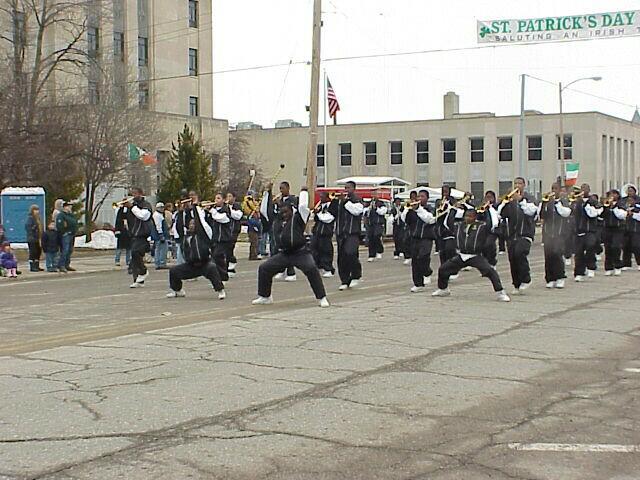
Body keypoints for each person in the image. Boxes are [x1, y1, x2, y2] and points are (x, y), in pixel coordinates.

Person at [252, 187, 329, 307]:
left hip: (300, 253)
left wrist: (303, 192)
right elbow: (264, 211)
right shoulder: (277, 220)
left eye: (286, 211)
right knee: (264, 268)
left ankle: (321, 297)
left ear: (292, 210)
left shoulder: (298, 218)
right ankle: (265, 296)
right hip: (284, 254)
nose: (284, 214)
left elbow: (303, 206)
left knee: (311, 269)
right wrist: (267, 193)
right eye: (282, 212)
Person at [432, 207, 511, 302]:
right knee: (443, 269)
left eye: (470, 216)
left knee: (490, 271)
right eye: (466, 216)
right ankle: (443, 289)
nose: (467, 218)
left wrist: (488, 210)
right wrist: (452, 210)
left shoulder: (481, 226)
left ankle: (500, 292)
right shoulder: (459, 225)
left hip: (475, 256)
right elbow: (448, 223)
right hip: (462, 255)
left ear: (475, 217)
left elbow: (491, 225)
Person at [166, 211, 226, 300]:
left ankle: (220, 290)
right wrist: (181, 211)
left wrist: (195, 207)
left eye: (194, 224)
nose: (192, 225)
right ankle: (178, 290)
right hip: (191, 265)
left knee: (212, 268)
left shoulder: (203, 236)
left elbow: (201, 223)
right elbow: (179, 226)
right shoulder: (185, 237)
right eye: (190, 224)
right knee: (174, 271)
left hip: (204, 263)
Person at [497, 177, 537, 294]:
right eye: (515, 183)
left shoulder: (529, 198)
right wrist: (504, 202)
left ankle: (526, 278)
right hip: (511, 235)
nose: (517, 185)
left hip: (525, 233)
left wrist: (520, 200)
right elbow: (499, 214)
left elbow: (531, 211)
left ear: (524, 185)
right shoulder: (510, 200)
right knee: (512, 259)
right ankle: (517, 284)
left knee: (520, 253)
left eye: (520, 183)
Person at [330, 180, 364, 290]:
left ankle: (356, 276)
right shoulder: (340, 201)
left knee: (351, 253)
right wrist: (334, 202)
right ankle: (344, 280)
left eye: (348, 188)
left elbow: (356, 211)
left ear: (354, 189)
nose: (346, 190)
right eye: (345, 188)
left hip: (352, 233)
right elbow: (332, 214)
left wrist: (345, 202)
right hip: (341, 233)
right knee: (342, 258)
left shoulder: (356, 200)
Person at [261, 181, 298, 281]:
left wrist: (280, 204)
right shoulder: (280, 200)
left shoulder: (292, 199)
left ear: (288, 188)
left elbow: (292, 211)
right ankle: (281, 270)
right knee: (279, 250)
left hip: (289, 227)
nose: (281, 191)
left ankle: (291, 272)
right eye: (280, 188)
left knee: (289, 250)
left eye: (283, 188)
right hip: (280, 227)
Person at [538, 183, 572, 289]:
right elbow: (541, 216)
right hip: (548, 234)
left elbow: (566, 213)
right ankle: (550, 278)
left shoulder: (564, 202)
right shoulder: (547, 202)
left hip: (560, 234)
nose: (554, 191)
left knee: (557, 255)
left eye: (556, 189)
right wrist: (544, 203)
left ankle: (560, 277)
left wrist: (557, 204)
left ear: (560, 191)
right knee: (548, 257)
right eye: (552, 188)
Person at [402, 189, 436, 292]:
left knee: (423, 256)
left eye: (422, 196)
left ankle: (427, 272)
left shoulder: (430, 209)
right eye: (419, 196)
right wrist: (407, 209)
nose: (420, 198)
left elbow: (429, 219)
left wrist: (418, 209)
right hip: (414, 237)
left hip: (426, 237)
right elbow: (404, 219)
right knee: (415, 261)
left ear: (427, 198)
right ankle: (418, 284)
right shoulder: (412, 209)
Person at [571, 183, 603, 282]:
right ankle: (579, 272)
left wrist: (587, 205)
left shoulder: (593, 201)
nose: (583, 190)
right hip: (579, 230)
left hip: (590, 230)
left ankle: (591, 268)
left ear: (589, 190)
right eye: (582, 188)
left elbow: (595, 213)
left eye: (585, 189)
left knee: (590, 247)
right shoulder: (576, 201)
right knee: (579, 253)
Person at [126, 188, 153, 288]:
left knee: (135, 252)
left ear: (141, 194)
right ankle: (138, 280)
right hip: (133, 234)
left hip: (143, 234)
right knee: (134, 258)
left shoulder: (146, 205)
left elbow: (143, 216)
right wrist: (124, 208)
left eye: (135, 193)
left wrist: (132, 207)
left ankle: (143, 272)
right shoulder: (133, 206)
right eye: (132, 194)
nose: (133, 196)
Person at [206, 193, 233, 282]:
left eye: (218, 198)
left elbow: (221, 218)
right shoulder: (214, 210)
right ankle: (219, 276)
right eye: (215, 198)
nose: (216, 200)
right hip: (215, 238)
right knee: (215, 258)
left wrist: (211, 210)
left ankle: (224, 276)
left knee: (218, 256)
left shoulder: (226, 209)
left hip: (224, 238)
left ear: (223, 200)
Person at [601, 189, 627, 276]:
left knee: (616, 247)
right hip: (607, 228)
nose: (612, 196)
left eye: (614, 194)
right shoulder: (606, 204)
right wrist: (606, 207)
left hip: (618, 228)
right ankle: (608, 267)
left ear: (617, 195)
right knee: (608, 248)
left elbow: (622, 215)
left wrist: (614, 207)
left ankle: (617, 266)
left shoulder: (621, 204)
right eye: (610, 194)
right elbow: (601, 216)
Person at [310, 191, 335, 277]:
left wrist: (318, 213)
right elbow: (317, 219)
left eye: (322, 196)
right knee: (314, 249)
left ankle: (328, 268)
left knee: (326, 250)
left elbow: (328, 218)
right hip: (317, 231)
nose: (320, 198)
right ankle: (319, 266)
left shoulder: (331, 206)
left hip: (326, 233)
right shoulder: (320, 207)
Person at [434, 185, 457, 276]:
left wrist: (450, 205)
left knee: (450, 251)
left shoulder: (453, 201)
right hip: (441, 229)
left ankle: (453, 271)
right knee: (442, 252)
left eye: (446, 191)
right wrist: (442, 206)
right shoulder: (439, 201)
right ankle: (444, 270)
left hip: (450, 230)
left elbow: (456, 212)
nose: (445, 193)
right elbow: (436, 213)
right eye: (443, 191)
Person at [477, 190, 500, 268]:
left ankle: (492, 262)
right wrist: (482, 210)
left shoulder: (497, 206)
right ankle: (486, 263)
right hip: (484, 231)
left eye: (490, 197)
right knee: (483, 247)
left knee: (489, 244)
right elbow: (478, 218)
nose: (488, 199)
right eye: (487, 197)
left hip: (494, 230)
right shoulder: (482, 207)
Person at [364, 192, 387, 262]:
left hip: (378, 224)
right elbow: (365, 212)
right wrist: (368, 209)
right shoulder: (369, 203)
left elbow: (382, 212)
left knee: (376, 236)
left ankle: (379, 251)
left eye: (375, 195)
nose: (374, 196)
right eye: (373, 195)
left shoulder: (381, 203)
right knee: (370, 239)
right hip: (371, 224)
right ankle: (371, 255)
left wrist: (376, 208)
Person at [622, 184, 640, 270]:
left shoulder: (639, 200)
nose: (629, 193)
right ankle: (626, 264)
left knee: (636, 245)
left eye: (631, 191)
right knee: (625, 245)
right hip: (625, 226)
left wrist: (633, 211)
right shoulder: (623, 200)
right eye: (628, 191)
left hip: (636, 227)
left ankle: (639, 262)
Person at [56, 201, 78, 273]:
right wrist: (64, 232)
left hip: (72, 234)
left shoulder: (71, 215)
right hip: (66, 234)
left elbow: (74, 222)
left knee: (70, 250)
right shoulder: (61, 215)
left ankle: (67, 264)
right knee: (65, 250)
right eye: (69, 206)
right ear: (65, 207)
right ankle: (61, 265)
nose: (70, 207)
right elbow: (60, 225)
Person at [225, 192, 243, 277]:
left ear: (234, 198)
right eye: (227, 196)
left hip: (234, 230)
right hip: (226, 231)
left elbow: (238, 216)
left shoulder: (237, 206)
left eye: (230, 196)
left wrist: (228, 209)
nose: (228, 198)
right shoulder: (224, 206)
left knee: (230, 247)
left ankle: (231, 264)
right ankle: (228, 267)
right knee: (226, 249)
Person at [114, 199, 132, 270]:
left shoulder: (130, 210)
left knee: (129, 247)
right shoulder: (120, 211)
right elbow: (118, 221)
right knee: (119, 247)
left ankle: (128, 260)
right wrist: (117, 230)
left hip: (128, 231)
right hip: (122, 231)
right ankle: (117, 260)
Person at [25, 205, 43, 272]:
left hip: (38, 238)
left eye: (37, 210)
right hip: (32, 238)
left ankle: (37, 265)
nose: (37, 211)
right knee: (33, 252)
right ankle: (32, 266)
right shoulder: (30, 218)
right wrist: (34, 228)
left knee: (38, 252)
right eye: (35, 210)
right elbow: (28, 228)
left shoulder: (38, 218)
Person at [403, 190, 419, 265]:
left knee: (415, 242)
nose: (412, 198)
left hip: (417, 225)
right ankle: (407, 257)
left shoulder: (419, 204)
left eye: (414, 196)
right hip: (409, 225)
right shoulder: (408, 204)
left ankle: (415, 256)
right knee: (406, 240)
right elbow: (403, 216)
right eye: (411, 196)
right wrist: (407, 208)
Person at [152, 202, 169, 270]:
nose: (162, 209)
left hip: (159, 235)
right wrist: (161, 235)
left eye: (162, 207)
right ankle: (161, 263)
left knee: (159, 249)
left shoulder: (158, 215)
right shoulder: (157, 215)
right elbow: (158, 225)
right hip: (160, 236)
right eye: (160, 207)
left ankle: (159, 263)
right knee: (162, 249)